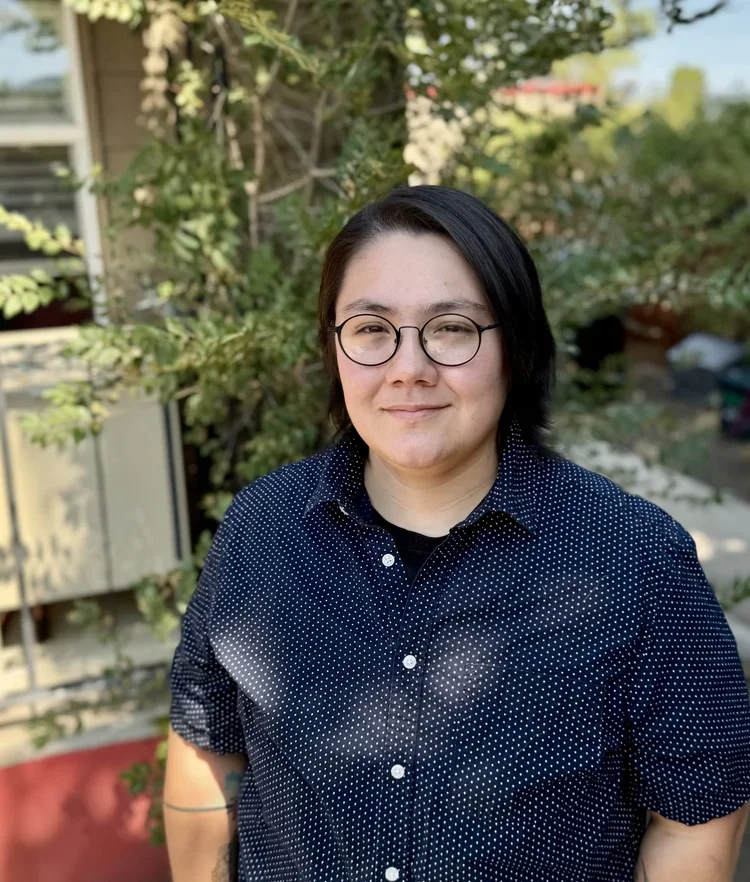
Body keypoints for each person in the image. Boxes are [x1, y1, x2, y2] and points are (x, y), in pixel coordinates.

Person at [164, 185, 750, 882]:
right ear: (335, 347)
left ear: (518, 348)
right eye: (372, 329)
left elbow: (698, 816)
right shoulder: (260, 530)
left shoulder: (635, 559)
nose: (409, 368)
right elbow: (205, 751)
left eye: (451, 328)